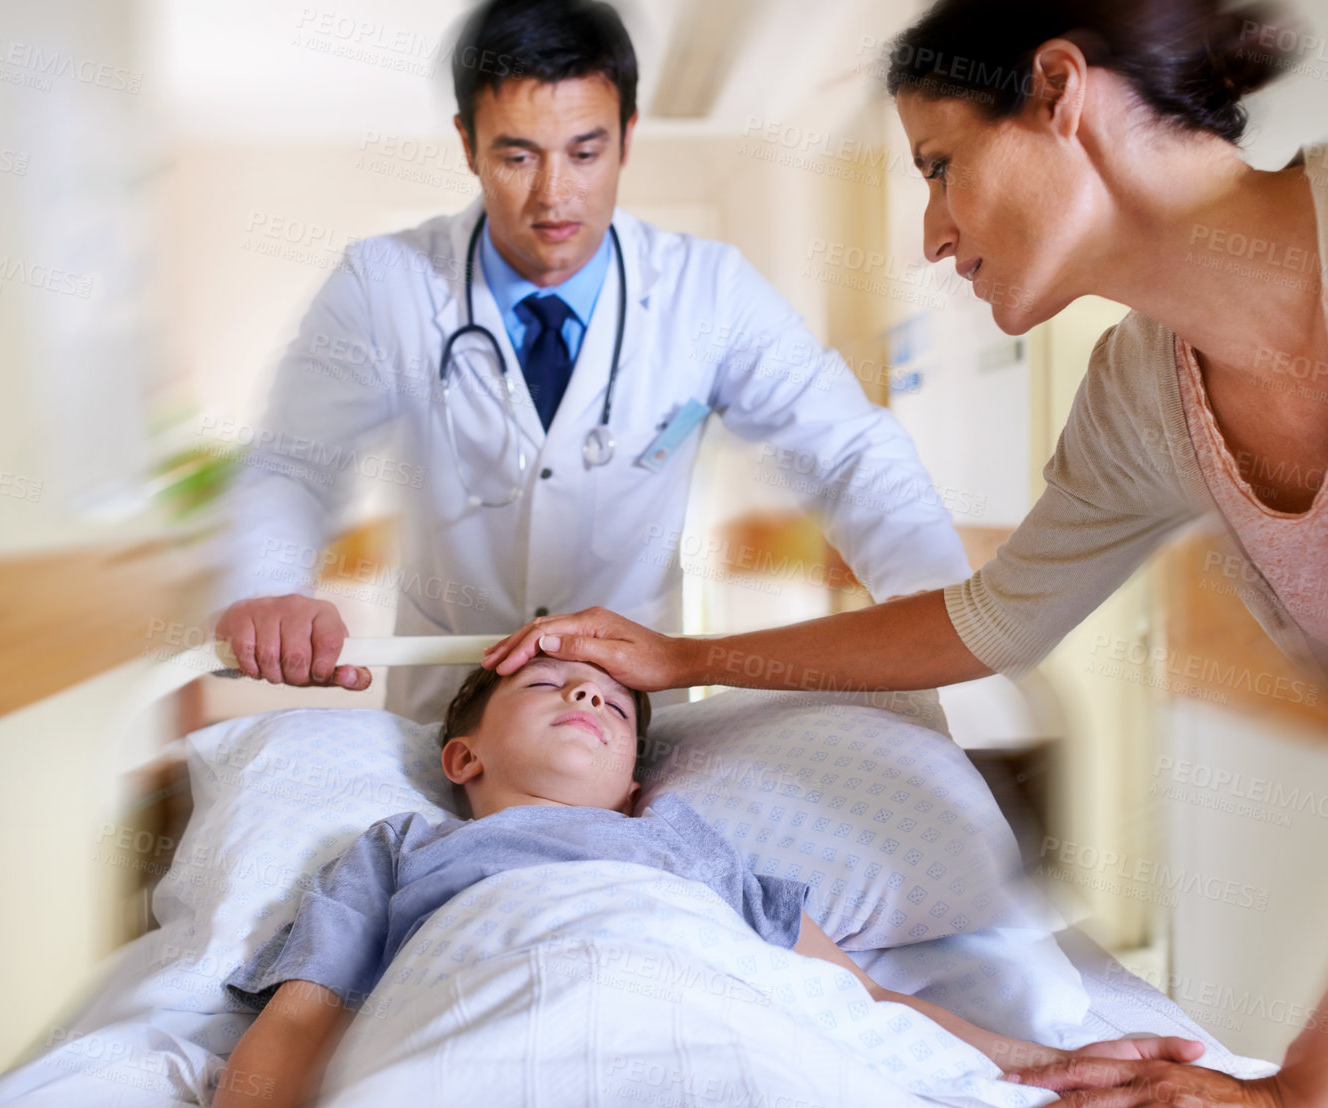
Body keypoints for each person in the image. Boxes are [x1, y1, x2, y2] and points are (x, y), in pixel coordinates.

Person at [477, 0, 1328, 1108]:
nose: (932, 233)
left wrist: (1297, 1100)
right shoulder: (1145, 389)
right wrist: (679, 661)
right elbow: (984, 620)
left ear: (1058, 90)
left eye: (941, 167)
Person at [157, 655, 1206, 1108]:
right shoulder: (399, 848)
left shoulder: (684, 845)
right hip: (497, 980)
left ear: (632, 784)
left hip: (704, 997)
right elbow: (302, 1017)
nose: (582, 690)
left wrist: (1048, 1066)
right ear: (464, 759)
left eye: (611, 701)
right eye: (544, 686)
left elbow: (857, 999)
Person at [208, 0, 971, 724]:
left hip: (626, 725)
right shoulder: (384, 284)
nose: (554, 196)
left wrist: (946, 620)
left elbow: (847, 453)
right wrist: (270, 590)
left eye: (585, 151)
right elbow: (293, 463)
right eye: (516, 155)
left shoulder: (709, 292)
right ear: (467, 143)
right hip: (446, 715)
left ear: (627, 136)